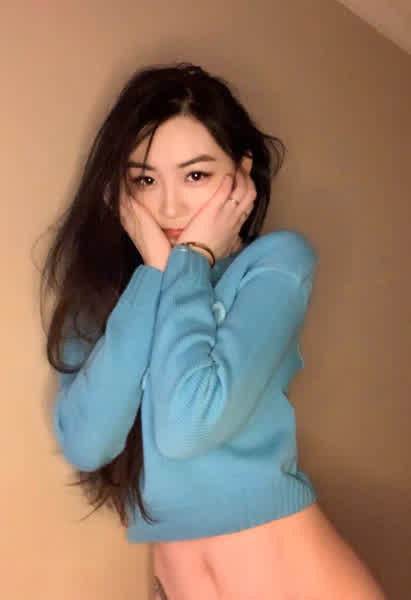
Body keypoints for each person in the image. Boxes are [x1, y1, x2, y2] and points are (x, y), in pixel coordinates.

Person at [41, 62, 386, 599]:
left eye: (196, 175)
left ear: (242, 171)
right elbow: (89, 443)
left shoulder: (274, 264)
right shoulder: (106, 299)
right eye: (145, 180)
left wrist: (191, 258)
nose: (170, 205)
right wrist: (158, 273)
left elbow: (189, 426)